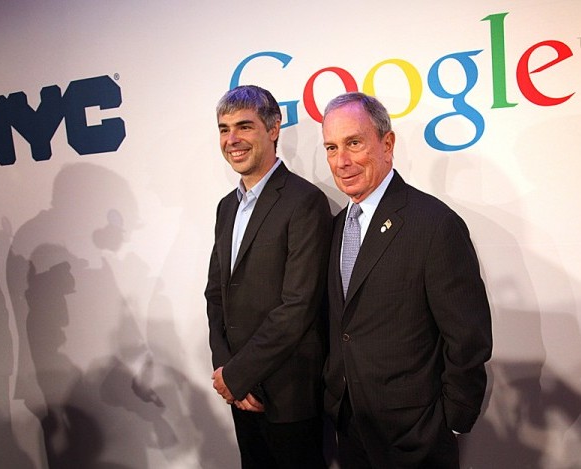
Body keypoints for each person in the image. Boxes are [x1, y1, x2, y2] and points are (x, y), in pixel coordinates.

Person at [321, 92, 493, 468]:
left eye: (353, 143)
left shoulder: (434, 224)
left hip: (416, 437)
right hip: (350, 430)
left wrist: (450, 422)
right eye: (331, 148)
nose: (342, 161)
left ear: (387, 143)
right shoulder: (334, 228)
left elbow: (468, 337)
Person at [205, 85, 332, 468]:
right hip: (241, 390)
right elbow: (216, 295)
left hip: (288, 390)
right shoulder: (227, 207)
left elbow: (298, 306)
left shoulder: (304, 201)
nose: (233, 140)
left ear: (274, 129)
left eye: (244, 126)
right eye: (224, 129)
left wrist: (240, 373)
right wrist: (228, 373)